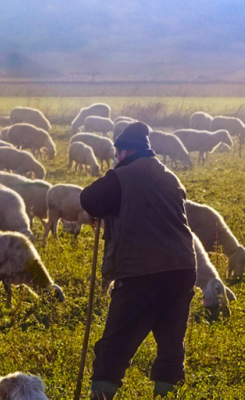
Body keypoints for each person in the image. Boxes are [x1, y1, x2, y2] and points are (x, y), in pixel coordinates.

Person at [79, 122, 197, 399]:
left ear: (124, 152)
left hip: (143, 268)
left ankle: (101, 394)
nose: (115, 159)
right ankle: (166, 394)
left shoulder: (125, 175)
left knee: (116, 340)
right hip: (182, 267)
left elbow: (89, 198)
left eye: (116, 154)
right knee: (171, 341)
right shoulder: (169, 176)